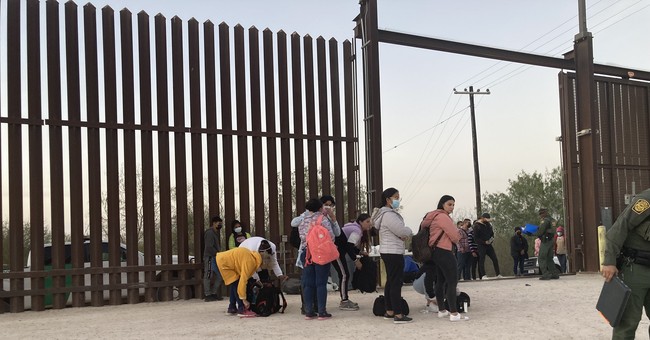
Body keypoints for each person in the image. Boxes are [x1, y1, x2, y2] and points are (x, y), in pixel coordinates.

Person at [601, 187, 650, 339]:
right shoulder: (646, 200)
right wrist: (609, 262)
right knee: (627, 323)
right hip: (635, 269)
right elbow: (620, 227)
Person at [372, 187, 413, 324]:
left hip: (388, 250)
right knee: (396, 282)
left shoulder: (383, 214)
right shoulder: (389, 215)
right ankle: (398, 314)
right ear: (388, 199)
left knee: (390, 281)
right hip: (393, 251)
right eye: (395, 197)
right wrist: (408, 231)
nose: (398, 200)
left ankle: (389, 310)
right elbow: (401, 231)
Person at [296, 198, 341, 320]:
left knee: (308, 284)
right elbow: (332, 235)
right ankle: (322, 312)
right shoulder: (323, 219)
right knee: (321, 283)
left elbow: (301, 237)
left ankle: (309, 311)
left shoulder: (303, 220)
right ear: (321, 208)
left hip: (306, 253)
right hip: (321, 253)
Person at [427, 195, 469, 322]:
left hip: (435, 251)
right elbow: (455, 236)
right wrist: (457, 233)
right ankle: (454, 313)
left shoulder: (433, 216)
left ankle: (442, 310)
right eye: (449, 204)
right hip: (444, 251)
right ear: (442, 204)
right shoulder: (443, 217)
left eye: (453, 205)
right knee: (452, 280)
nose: (452, 207)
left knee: (440, 280)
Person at [319, 195, 358, 311]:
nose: (329, 207)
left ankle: (344, 299)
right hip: (333, 251)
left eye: (331, 205)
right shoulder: (320, 219)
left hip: (338, 250)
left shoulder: (330, 219)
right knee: (344, 274)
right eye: (326, 204)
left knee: (344, 274)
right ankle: (344, 300)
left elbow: (337, 233)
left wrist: (334, 219)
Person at [215, 246, 263, 317]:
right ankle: (242, 309)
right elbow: (242, 282)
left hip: (220, 260)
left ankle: (232, 308)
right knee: (236, 284)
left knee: (233, 283)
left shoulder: (251, 256)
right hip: (223, 263)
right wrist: (244, 300)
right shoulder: (250, 262)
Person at [342, 213, 372, 290]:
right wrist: (356, 260)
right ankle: (345, 295)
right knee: (345, 274)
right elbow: (349, 246)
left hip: (341, 249)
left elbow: (350, 246)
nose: (370, 224)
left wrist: (360, 252)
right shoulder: (357, 231)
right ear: (361, 222)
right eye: (367, 222)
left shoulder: (354, 228)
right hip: (338, 251)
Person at [473, 213, 503, 279]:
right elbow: (475, 238)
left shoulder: (488, 225)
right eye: (486, 219)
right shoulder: (477, 226)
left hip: (489, 245)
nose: (487, 221)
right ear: (482, 218)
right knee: (482, 260)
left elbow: (492, 234)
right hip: (481, 245)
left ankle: (498, 274)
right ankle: (483, 275)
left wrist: (491, 240)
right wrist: (484, 242)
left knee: (494, 258)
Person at [203, 216, 224, 301]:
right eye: (219, 223)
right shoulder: (210, 233)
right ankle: (208, 294)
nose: (220, 225)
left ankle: (213, 293)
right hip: (210, 257)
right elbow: (209, 247)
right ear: (214, 223)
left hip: (215, 257)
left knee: (220, 275)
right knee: (208, 275)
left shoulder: (214, 233)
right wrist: (217, 253)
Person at [535, 208, 559, 280]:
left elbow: (540, 231)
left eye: (541, 214)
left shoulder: (545, 221)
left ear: (544, 213)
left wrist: (532, 233)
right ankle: (554, 274)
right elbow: (554, 230)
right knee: (549, 258)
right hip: (551, 240)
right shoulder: (552, 220)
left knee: (541, 258)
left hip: (545, 241)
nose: (540, 215)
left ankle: (546, 274)